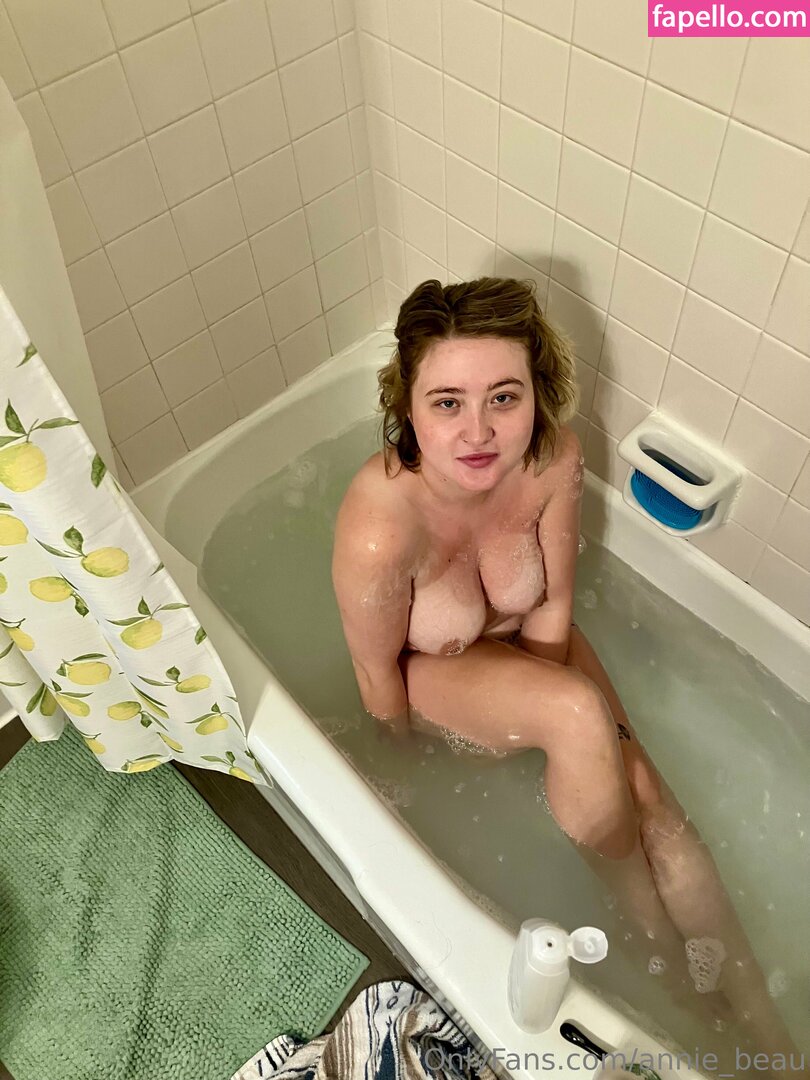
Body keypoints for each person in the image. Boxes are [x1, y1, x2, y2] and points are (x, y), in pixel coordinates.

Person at [331, 277, 799, 1067]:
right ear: (406, 405)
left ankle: (768, 1037)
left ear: (536, 390)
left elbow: (551, 604)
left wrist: (551, 713)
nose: (479, 431)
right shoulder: (382, 524)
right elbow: (376, 676)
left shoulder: (552, 460)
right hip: (433, 674)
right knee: (579, 717)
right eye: (447, 403)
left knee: (645, 790)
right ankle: (678, 986)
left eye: (503, 398)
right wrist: (408, 778)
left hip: (529, 655)